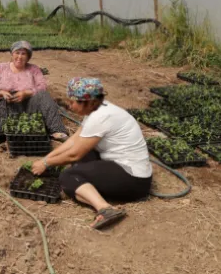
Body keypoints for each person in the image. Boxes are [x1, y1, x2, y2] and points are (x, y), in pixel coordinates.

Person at [31, 78, 153, 230]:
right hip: (125, 169)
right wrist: (46, 159)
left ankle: (105, 209)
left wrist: (46, 164)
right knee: (83, 156)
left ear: (88, 102)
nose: (70, 105)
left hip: (134, 181)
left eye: (73, 102)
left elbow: (73, 155)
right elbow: (74, 140)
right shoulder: (97, 109)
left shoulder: (100, 117)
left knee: (68, 177)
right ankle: (86, 186)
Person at [0, 41, 68, 146]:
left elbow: (42, 86)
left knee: (44, 97)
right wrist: (2, 92)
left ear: (28, 57)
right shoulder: (1, 67)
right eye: (17, 53)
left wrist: (26, 93)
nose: (20, 57)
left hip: (28, 106)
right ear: (12, 54)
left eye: (23, 54)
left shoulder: (34, 69)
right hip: (4, 105)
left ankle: (58, 131)